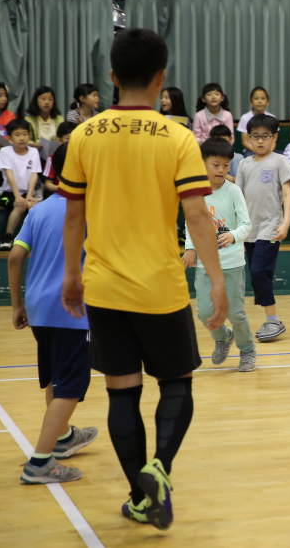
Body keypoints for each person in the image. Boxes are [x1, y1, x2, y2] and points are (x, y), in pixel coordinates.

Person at [58, 28, 228, 530]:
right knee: (176, 384)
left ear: (112, 77)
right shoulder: (178, 137)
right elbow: (197, 215)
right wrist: (215, 281)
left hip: (105, 288)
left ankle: (141, 496)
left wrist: (71, 275)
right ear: (161, 78)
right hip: (160, 286)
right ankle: (161, 468)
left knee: (122, 393)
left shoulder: (84, 135)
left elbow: (73, 217)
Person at [8, 144, 100, 483]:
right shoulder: (91, 210)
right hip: (72, 309)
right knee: (70, 387)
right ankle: (41, 461)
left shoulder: (40, 209)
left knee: (55, 377)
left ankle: (62, 438)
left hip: (38, 308)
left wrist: (18, 304)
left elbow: (15, 257)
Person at [182, 138, 258, 371]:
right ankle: (223, 338)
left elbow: (247, 225)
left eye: (226, 165)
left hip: (232, 263)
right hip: (205, 264)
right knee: (205, 312)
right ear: (202, 163)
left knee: (235, 313)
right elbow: (191, 223)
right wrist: (191, 248)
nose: (222, 170)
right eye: (216, 165)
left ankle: (247, 350)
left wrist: (233, 235)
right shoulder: (195, 192)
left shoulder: (234, 191)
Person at [236, 114, 290, 342]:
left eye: (265, 136)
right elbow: (237, 197)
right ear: (248, 138)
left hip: (271, 228)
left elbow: (288, 193)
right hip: (248, 230)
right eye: (255, 137)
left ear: (275, 138)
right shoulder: (244, 164)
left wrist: (286, 222)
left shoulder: (280, 161)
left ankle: (273, 321)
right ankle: (271, 320)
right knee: (260, 275)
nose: (260, 141)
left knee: (258, 272)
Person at [0, 119, 42, 250]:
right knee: (20, 205)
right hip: (8, 192)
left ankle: (37, 238)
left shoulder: (34, 152)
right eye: (17, 135)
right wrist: (17, 196)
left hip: (26, 192)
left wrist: (29, 195)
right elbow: (9, 175)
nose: (22, 138)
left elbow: (34, 174)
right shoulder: (5, 152)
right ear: (9, 138)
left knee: (33, 205)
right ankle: (7, 236)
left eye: (25, 134)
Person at [43, 122, 77, 194]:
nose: (71, 142)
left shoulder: (82, 157)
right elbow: (48, 184)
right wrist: (62, 188)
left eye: (75, 138)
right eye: (68, 138)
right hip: (58, 194)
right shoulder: (52, 158)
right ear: (60, 140)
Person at [236, 86, 272, 154]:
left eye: (263, 98)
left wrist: (268, 152)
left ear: (267, 102)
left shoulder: (271, 117)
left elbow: (273, 141)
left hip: (268, 151)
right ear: (251, 102)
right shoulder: (245, 117)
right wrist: (257, 151)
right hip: (251, 150)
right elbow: (245, 142)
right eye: (256, 99)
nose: (259, 101)